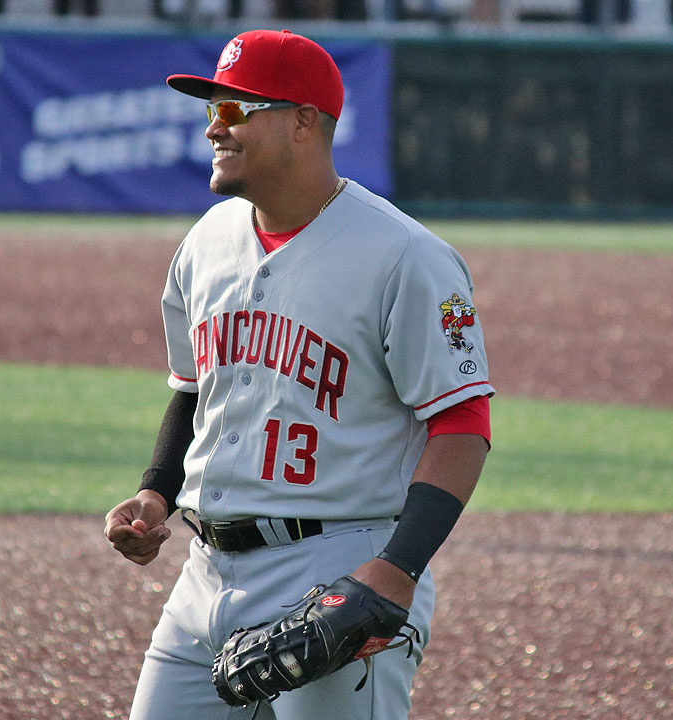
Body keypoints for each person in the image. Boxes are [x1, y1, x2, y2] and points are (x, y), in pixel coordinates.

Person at [104, 29, 493, 720]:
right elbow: (195, 390)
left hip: (340, 568)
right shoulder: (206, 242)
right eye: (210, 111)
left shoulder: (405, 256)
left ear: (303, 123)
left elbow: (462, 423)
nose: (213, 129)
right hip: (206, 573)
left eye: (233, 111)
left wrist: (395, 573)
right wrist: (157, 493)